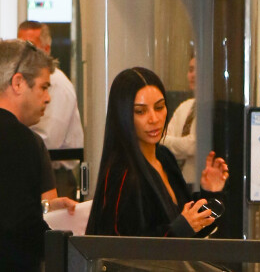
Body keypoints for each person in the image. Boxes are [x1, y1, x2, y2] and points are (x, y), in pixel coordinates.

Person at [86, 67, 228, 237]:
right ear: (123, 115)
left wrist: (210, 193)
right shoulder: (121, 171)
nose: (154, 119)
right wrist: (181, 228)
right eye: (140, 111)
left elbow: (191, 229)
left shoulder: (164, 157)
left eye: (159, 107)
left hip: (176, 263)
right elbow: (121, 246)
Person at [0, 39, 77, 272]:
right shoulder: (18, 138)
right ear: (18, 82)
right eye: (44, 87)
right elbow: (19, 224)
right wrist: (67, 248)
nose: (48, 98)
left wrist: (44, 207)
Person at [18, 21, 84, 200]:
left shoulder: (58, 85)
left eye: (30, 47)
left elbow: (48, 141)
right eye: (21, 46)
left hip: (56, 176)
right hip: (34, 171)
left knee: (53, 224)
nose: (24, 55)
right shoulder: (24, 82)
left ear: (46, 49)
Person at [163, 56, 197, 188]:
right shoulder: (184, 106)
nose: (193, 75)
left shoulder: (211, 110)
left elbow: (193, 145)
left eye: (197, 70)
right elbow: (161, 142)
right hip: (176, 183)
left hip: (198, 184)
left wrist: (171, 143)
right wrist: (183, 145)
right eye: (190, 70)